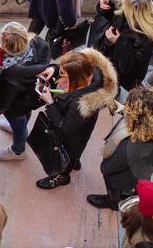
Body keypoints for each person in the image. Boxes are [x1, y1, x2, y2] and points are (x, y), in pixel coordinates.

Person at [31, 48, 118, 190]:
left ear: (76, 77)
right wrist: (54, 68)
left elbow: (65, 128)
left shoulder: (81, 103)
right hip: (81, 126)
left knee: (68, 151)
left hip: (72, 133)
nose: (61, 76)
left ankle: (62, 176)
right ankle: (74, 160)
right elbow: (71, 65)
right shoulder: (89, 69)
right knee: (75, 151)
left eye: (64, 74)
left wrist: (50, 102)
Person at [89, 85, 153, 210]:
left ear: (135, 119)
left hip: (122, 179)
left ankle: (113, 203)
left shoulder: (129, 146)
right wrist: (115, 105)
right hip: (141, 174)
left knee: (114, 189)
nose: (126, 109)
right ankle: (134, 195)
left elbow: (107, 168)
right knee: (134, 189)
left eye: (128, 108)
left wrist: (103, 168)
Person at [0, 22, 54, 162]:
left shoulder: (8, 73)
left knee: (19, 127)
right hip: (30, 98)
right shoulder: (38, 42)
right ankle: (17, 128)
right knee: (25, 116)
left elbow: (5, 100)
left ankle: (18, 151)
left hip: (15, 107)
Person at [80, 0, 153, 92]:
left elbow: (128, 68)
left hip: (122, 78)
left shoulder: (145, 37)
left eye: (124, 5)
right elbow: (115, 17)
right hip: (109, 63)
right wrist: (107, 8)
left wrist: (118, 42)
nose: (122, 7)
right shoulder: (128, 14)